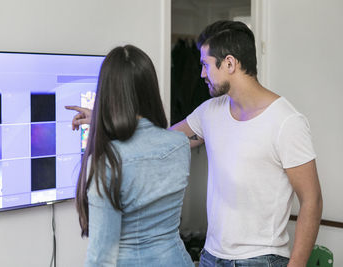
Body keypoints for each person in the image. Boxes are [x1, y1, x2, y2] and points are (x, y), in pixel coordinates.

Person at [170, 20, 323, 266]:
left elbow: (312, 200)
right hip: (211, 256)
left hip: (262, 259)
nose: (201, 74)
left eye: (205, 65)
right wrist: (110, 122)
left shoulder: (286, 122)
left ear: (230, 63)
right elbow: (164, 141)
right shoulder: (210, 111)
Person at [66, 45, 194, 267]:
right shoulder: (180, 144)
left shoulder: (108, 160)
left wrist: (102, 120)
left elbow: (101, 255)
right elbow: (147, 144)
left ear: (107, 94)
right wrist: (100, 120)